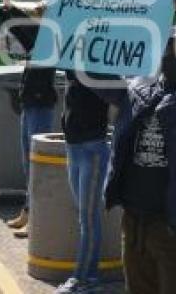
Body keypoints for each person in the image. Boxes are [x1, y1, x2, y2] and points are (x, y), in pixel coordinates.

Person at [90, 0, 176, 294]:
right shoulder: (138, 88)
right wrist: (84, 27)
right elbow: (94, 74)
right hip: (134, 220)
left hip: (173, 224)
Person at [0, 3, 57, 236]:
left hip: (41, 105)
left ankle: (36, 218)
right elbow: (19, 30)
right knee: (27, 163)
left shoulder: (51, 37)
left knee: (36, 164)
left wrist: (16, 10)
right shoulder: (39, 39)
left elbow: (25, 29)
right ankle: (28, 210)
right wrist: (7, 10)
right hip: (31, 104)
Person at [55, 72, 112, 294]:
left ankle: (85, 277)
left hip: (92, 147)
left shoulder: (100, 67)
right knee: (85, 217)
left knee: (88, 218)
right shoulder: (73, 65)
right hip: (74, 147)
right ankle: (88, 276)